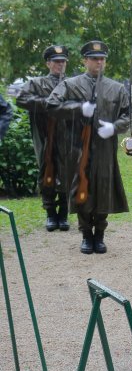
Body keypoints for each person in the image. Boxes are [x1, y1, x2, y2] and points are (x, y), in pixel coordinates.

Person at [46, 40, 130, 255]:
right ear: (85, 61)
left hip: (104, 149)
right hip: (77, 148)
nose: (99, 62)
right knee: (82, 190)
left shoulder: (117, 88)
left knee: (103, 189)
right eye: (94, 59)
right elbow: (52, 105)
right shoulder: (70, 85)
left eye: (102, 58)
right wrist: (76, 108)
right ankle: (86, 233)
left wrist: (114, 127)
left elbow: (127, 115)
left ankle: (99, 234)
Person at [16, 45, 73, 231]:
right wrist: (46, 103)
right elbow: (21, 99)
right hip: (44, 134)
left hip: (67, 136)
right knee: (46, 172)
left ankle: (64, 214)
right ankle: (50, 213)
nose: (60, 65)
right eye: (56, 62)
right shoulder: (37, 83)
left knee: (66, 173)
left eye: (63, 61)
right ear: (48, 63)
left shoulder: (72, 84)